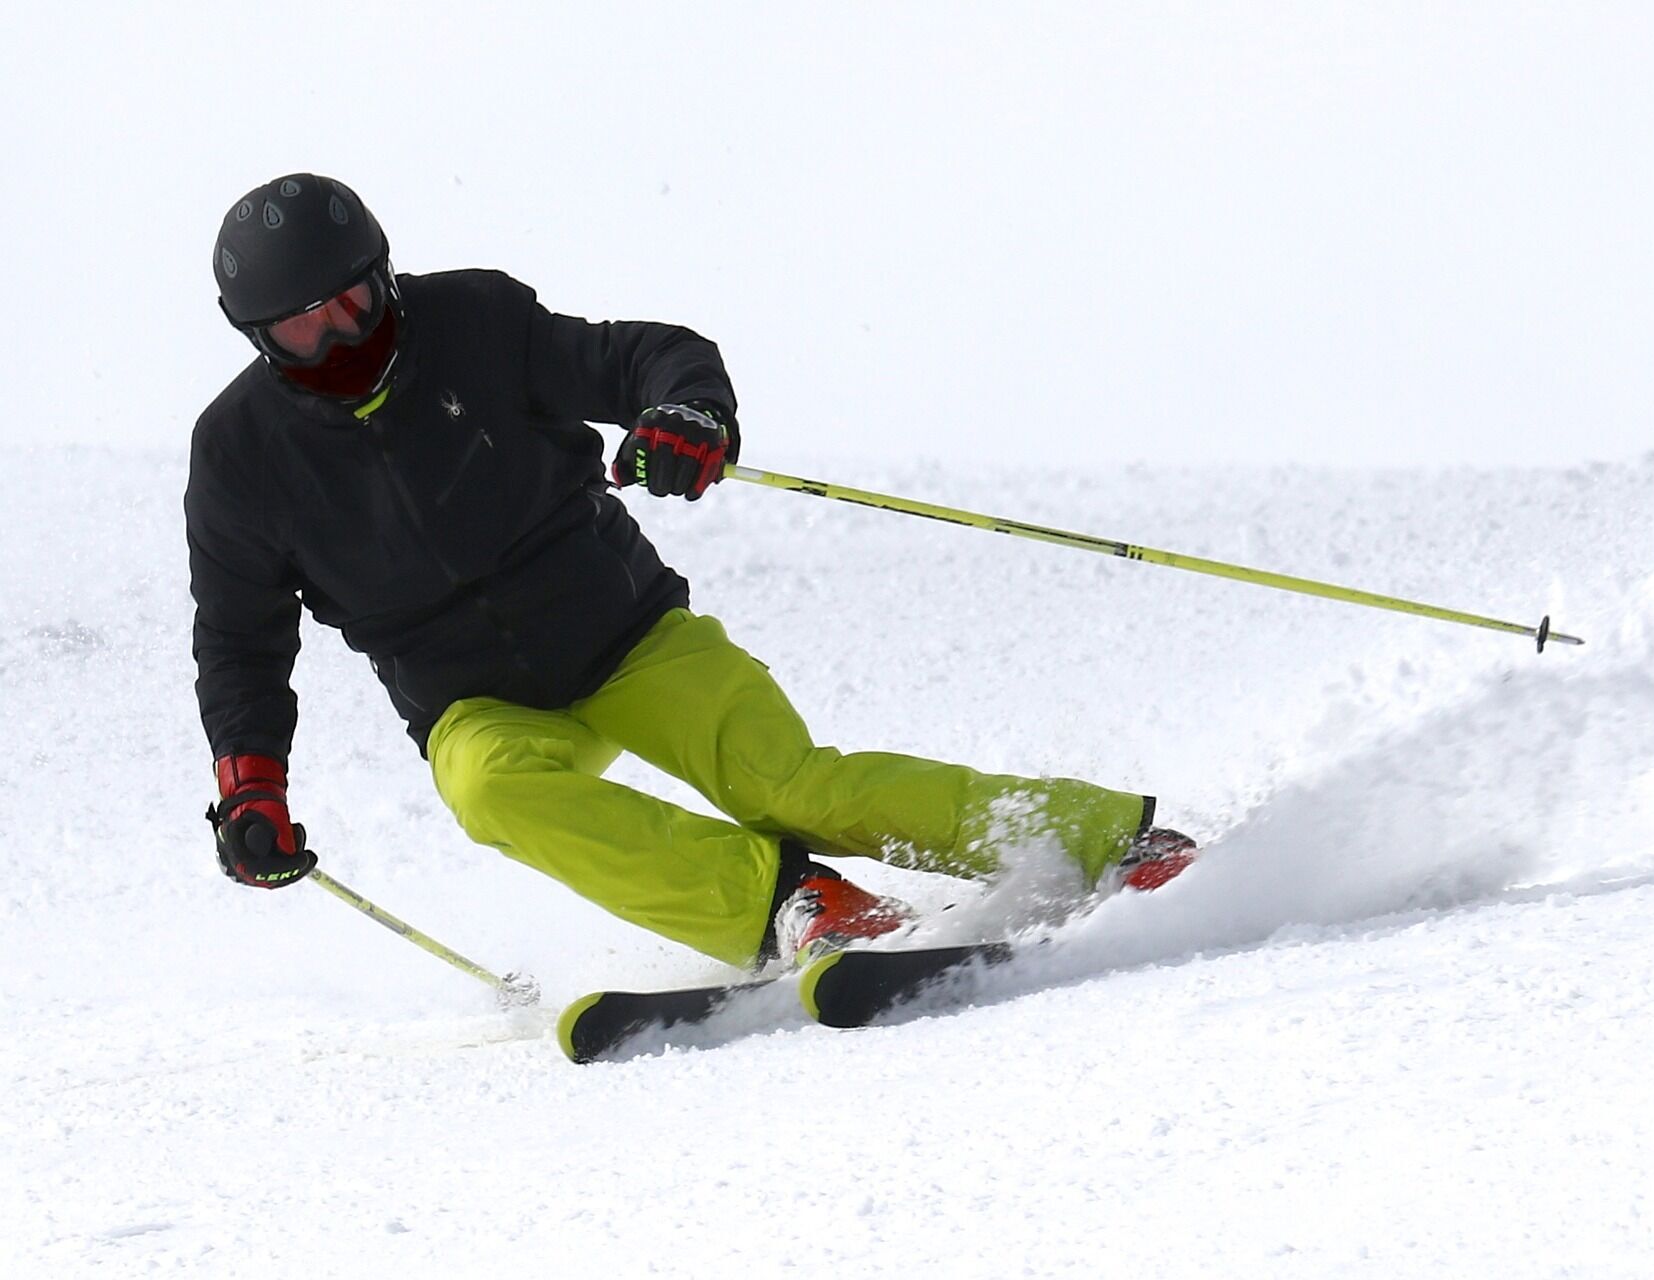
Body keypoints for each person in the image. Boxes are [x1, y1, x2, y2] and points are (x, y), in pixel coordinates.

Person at [189, 173, 1194, 973]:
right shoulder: (240, 455)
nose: (339, 334)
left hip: (624, 634)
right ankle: (793, 902)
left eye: (353, 300)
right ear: (259, 337)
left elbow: (649, 357)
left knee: (787, 783)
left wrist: (686, 413)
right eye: (302, 324)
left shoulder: (475, 323)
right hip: (470, 696)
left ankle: (1103, 840)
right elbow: (240, 638)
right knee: (489, 788)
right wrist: (251, 787)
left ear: (385, 274)